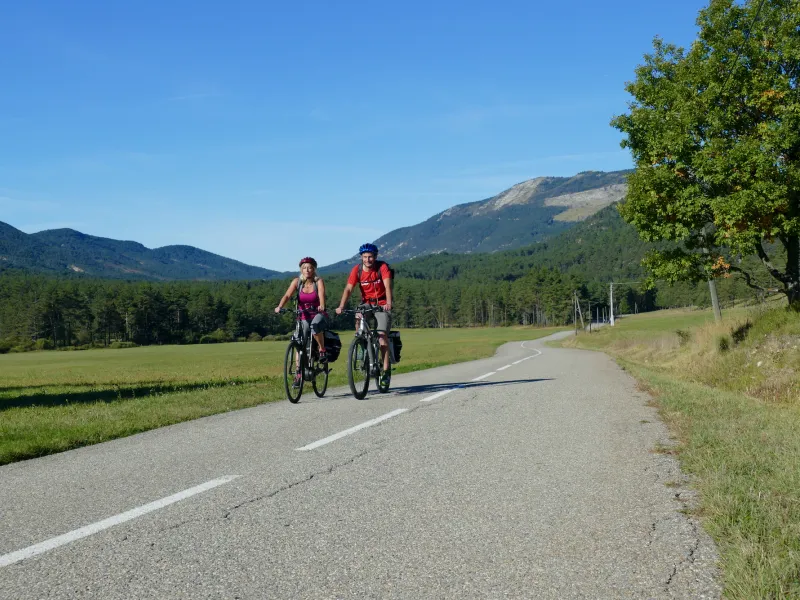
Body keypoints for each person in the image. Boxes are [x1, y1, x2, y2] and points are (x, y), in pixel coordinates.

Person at [335, 243, 393, 387]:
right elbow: (348, 288)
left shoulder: (382, 267)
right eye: (365, 257)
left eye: (370, 257)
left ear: (375, 257)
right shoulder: (357, 270)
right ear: (361, 257)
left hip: (382, 303)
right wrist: (341, 306)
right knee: (358, 316)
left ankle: (386, 371)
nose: (368, 260)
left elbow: (387, 286)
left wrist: (388, 303)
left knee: (382, 337)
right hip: (367, 303)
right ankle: (361, 344)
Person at [275, 257, 329, 387]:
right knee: (299, 343)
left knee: (315, 326)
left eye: (310, 267)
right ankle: (299, 374)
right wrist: (280, 306)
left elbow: (321, 295)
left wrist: (321, 305)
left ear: (314, 269)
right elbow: (287, 295)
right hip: (303, 316)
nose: (307, 270)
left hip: (317, 314)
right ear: (301, 269)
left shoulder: (318, 282)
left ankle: (322, 349)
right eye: (304, 268)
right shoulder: (297, 282)